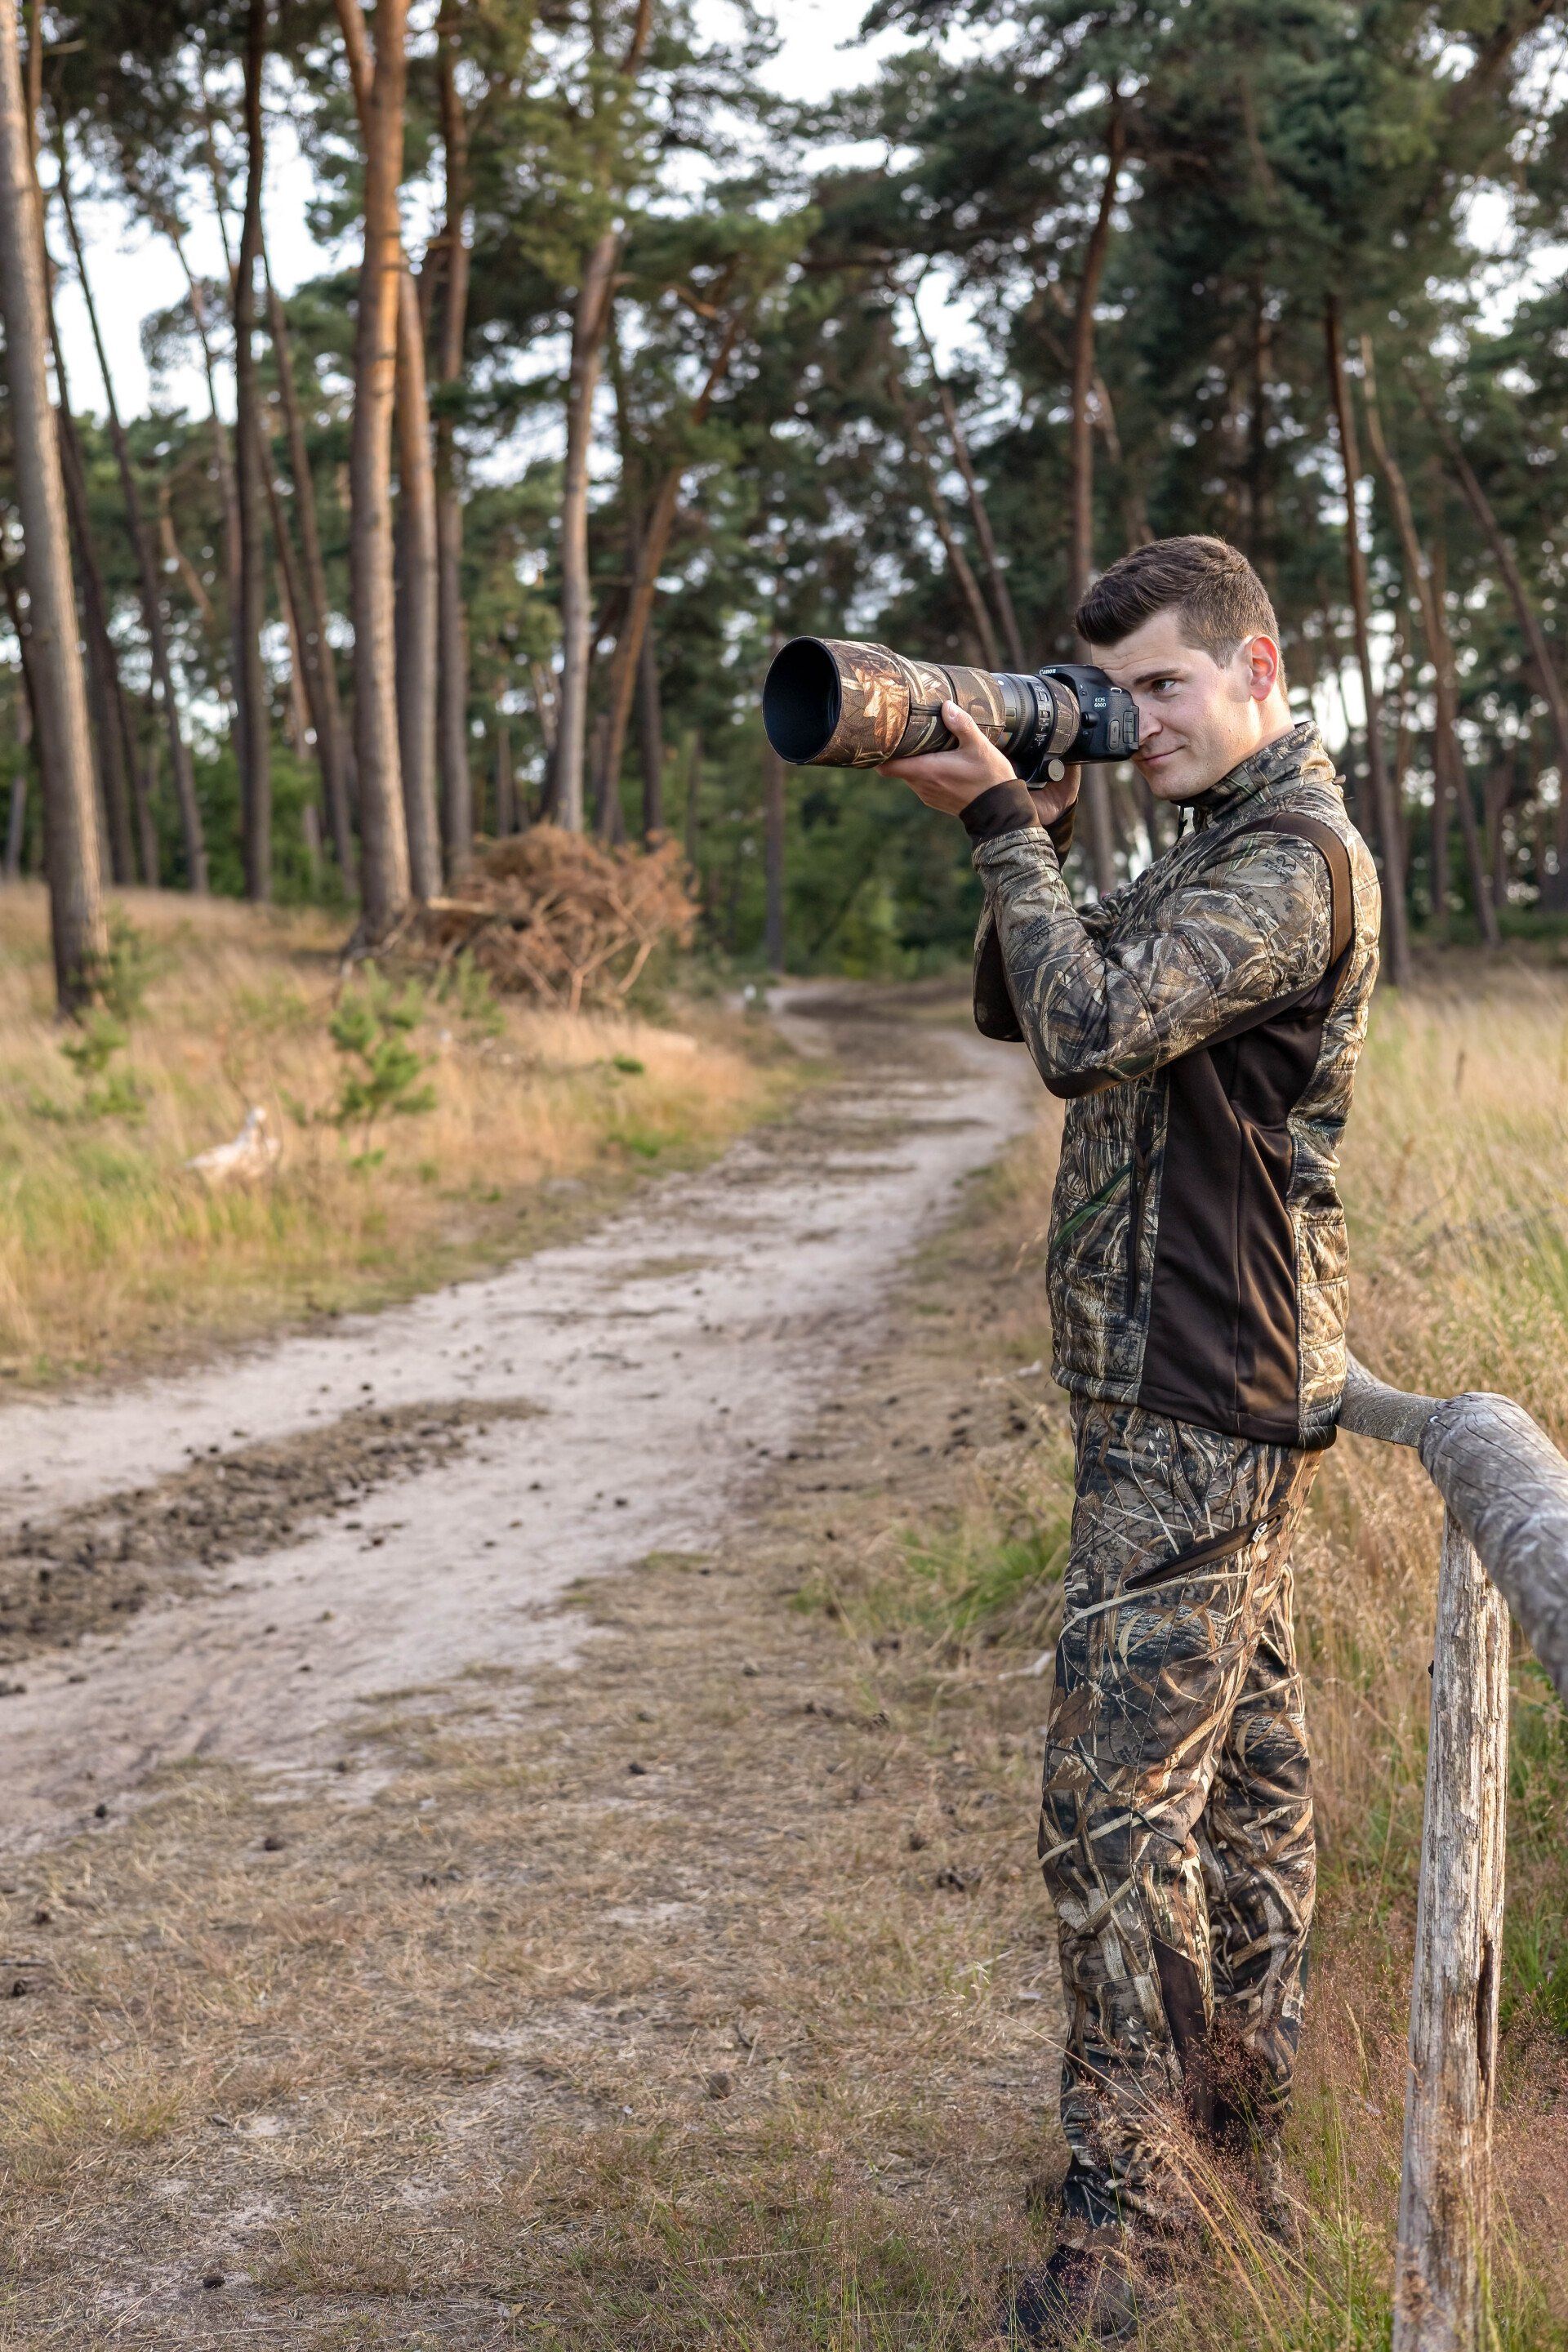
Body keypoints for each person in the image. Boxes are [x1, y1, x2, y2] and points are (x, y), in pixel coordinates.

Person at [880, 536, 1381, 2345]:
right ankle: (1234, 2156)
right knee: (1243, 1796)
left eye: (1163, 685)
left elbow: (1090, 1032)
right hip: (1190, 1390)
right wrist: (1029, 824)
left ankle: (1136, 2225)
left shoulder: (1291, 861)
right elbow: (1020, 1001)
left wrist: (1003, 832)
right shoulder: (1208, 845)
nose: (1134, 719)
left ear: (1260, 668)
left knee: (1108, 1818)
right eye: (1110, 691)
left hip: (1201, 1396)